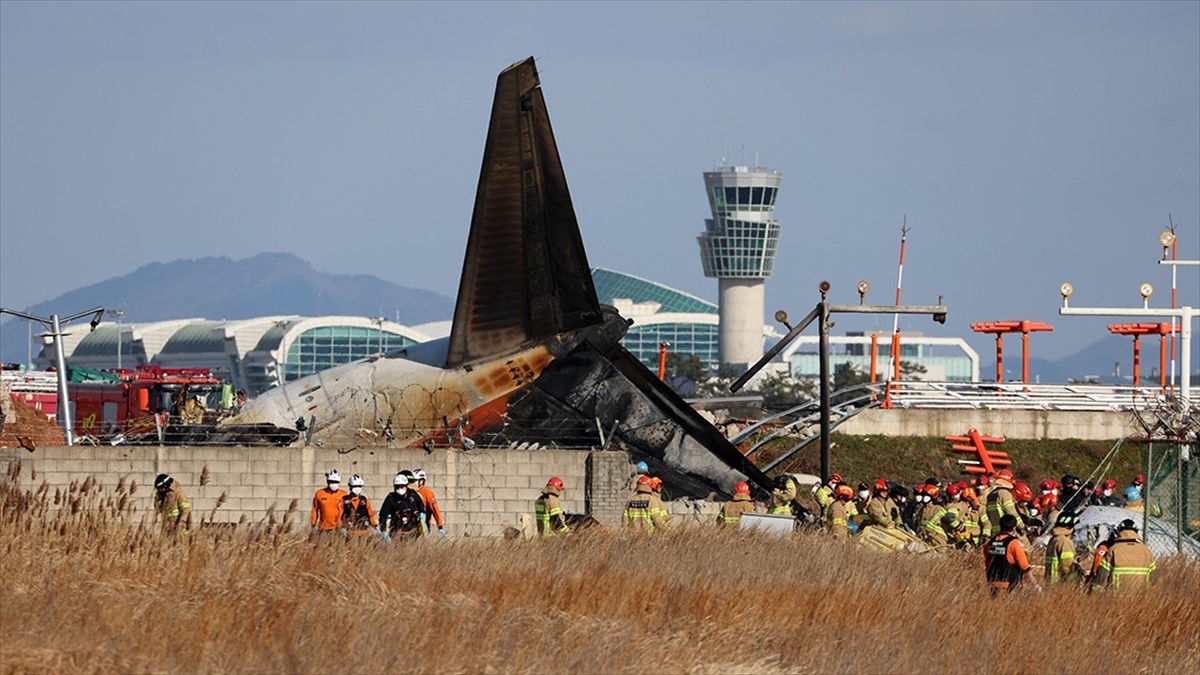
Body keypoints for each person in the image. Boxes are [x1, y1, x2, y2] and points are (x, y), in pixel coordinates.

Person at [1092, 519, 1157, 593]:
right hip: (1142, 599)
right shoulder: (1146, 551)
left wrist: (1094, 593)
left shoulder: (1113, 550)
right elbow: (1154, 580)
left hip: (1116, 599)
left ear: (1119, 532)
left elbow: (1101, 576)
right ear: (1136, 532)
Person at [984, 514, 1038, 595]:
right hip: (1010, 586)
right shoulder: (1014, 543)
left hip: (993, 585)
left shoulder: (990, 543)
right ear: (1014, 528)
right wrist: (1036, 585)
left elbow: (988, 564)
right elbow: (1024, 566)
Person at [379, 472, 427, 540]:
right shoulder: (391, 498)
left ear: (406, 486)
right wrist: (383, 530)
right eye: (397, 486)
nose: (400, 489)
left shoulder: (413, 495)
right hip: (396, 533)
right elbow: (383, 514)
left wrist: (422, 516)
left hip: (413, 533)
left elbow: (421, 506)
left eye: (402, 486)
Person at [1044, 511, 1082, 585]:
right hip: (1062, 583)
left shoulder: (1054, 539)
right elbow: (1067, 565)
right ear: (1069, 526)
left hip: (1051, 582)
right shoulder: (1064, 541)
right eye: (1074, 525)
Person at [985, 469, 1022, 539]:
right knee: (1024, 543)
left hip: (995, 532)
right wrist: (1022, 526)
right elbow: (1011, 512)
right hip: (1006, 530)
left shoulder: (991, 494)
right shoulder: (1004, 493)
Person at [311, 469, 347, 534]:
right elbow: (314, 510)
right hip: (323, 528)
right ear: (327, 481)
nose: (334, 484)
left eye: (336, 482)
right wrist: (313, 524)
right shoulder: (319, 494)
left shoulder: (344, 494)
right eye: (331, 481)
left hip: (339, 528)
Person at [413, 469, 446, 536]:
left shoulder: (428, 493)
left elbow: (435, 509)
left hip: (424, 524)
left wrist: (440, 526)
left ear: (421, 481)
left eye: (415, 480)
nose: (414, 483)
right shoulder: (411, 492)